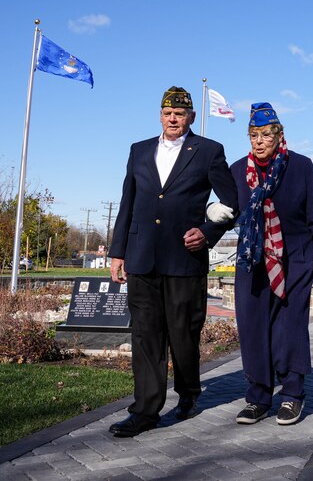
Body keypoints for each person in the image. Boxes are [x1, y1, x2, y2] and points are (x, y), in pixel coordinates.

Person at [107, 86, 239, 438]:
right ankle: (145, 411)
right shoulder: (138, 151)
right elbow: (127, 203)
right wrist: (117, 251)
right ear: (160, 115)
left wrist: (207, 231)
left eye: (180, 114)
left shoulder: (209, 151)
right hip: (142, 257)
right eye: (168, 113)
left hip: (185, 258)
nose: (173, 119)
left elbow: (231, 202)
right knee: (145, 335)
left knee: (183, 335)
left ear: (191, 117)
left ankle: (189, 394)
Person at [230, 103, 313, 427]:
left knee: (289, 330)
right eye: (254, 135)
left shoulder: (301, 167)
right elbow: (229, 210)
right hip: (252, 262)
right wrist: (215, 215)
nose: (259, 141)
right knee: (253, 330)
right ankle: (258, 397)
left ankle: (292, 394)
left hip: (295, 261)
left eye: (266, 134)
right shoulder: (238, 171)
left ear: (279, 135)